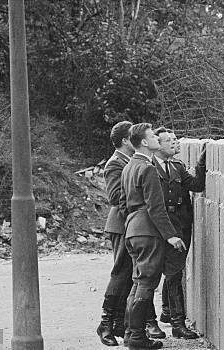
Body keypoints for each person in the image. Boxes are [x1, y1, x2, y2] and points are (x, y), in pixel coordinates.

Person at [120, 123, 186, 350]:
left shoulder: (130, 166)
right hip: (148, 231)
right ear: (145, 143)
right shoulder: (148, 169)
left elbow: (123, 202)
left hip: (133, 229)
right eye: (153, 137)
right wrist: (171, 236)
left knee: (138, 283)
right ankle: (137, 337)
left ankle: (131, 333)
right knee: (147, 283)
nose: (158, 139)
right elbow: (156, 207)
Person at [152, 127, 205, 339]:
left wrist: (201, 163)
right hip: (157, 227)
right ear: (158, 145)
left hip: (179, 225)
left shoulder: (177, 166)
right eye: (170, 141)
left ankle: (173, 319)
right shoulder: (148, 167)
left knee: (174, 273)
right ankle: (156, 322)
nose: (175, 144)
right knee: (150, 275)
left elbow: (196, 185)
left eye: (176, 140)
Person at [97, 121, 135, 346]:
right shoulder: (115, 163)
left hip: (130, 223)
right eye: (133, 136)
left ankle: (119, 322)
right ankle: (106, 323)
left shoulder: (130, 161)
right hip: (122, 224)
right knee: (120, 273)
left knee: (130, 274)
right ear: (124, 140)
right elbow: (114, 197)